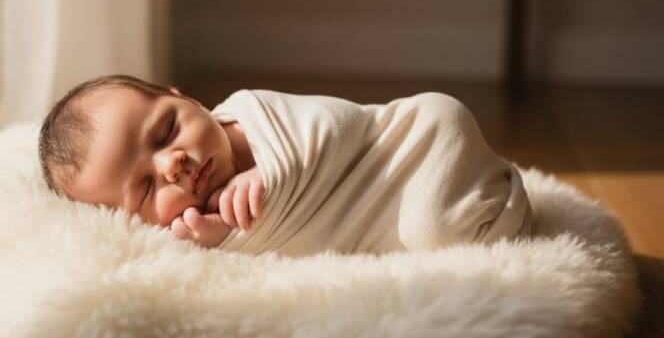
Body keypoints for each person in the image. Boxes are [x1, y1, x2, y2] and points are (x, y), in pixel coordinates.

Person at [38, 74, 533, 257]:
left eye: (167, 130)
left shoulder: (254, 114)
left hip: (403, 150)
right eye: (146, 189)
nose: (173, 165)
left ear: (184, 98)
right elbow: (284, 247)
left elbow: (339, 125)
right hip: (374, 221)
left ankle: (487, 195)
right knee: (432, 236)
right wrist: (223, 238)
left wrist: (269, 176)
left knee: (437, 184)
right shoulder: (192, 228)